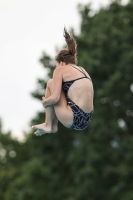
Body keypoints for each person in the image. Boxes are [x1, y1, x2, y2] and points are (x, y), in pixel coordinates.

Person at [32, 28, 94, 136]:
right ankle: (53, 125)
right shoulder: (83, 71)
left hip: (73, 117)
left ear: (61, 63)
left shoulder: (60, 70)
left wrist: (45, 102)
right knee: (61, 89)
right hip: (87, 119)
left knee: (51, 83)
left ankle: (48, 124)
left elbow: (55, 98)